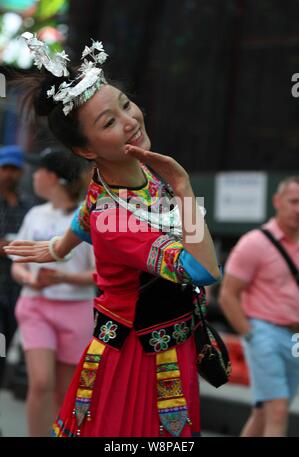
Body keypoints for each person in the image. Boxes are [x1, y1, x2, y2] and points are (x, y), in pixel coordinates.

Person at [5, 34, 221, 437]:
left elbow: (84, 215)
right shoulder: (117, 217)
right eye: (109, 122)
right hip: (139, 358)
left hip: (166, 338)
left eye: (125, 104)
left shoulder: (125, 174)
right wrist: (185, 190)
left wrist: (58, 247)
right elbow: (203, 269)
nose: (130, 121)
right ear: (87, 151)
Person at [10, 147, 95, 437]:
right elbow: (17, 264)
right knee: (41, 383)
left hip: (77, 311)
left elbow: (101, 274)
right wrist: (28, 278)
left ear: (54, 177)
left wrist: (62, 277)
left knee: (65, 392)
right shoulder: (35, 214)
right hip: (35, 306)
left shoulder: (88, 217)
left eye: (39, 171)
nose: (33, 176)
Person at [219, 176, 299, 437]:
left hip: (297, 338)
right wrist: (251, 335)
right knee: (277, 411)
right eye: (294, 201)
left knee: (265, 411)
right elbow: (228, 295)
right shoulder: (255, 243)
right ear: (277, 202)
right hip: (264, 333)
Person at [0, 145, 31, 390]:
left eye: (14, 169)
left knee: (7, 339)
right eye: (5, 168)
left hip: (14, 289)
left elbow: (30, 244)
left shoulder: (26, 206)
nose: (9, 174)